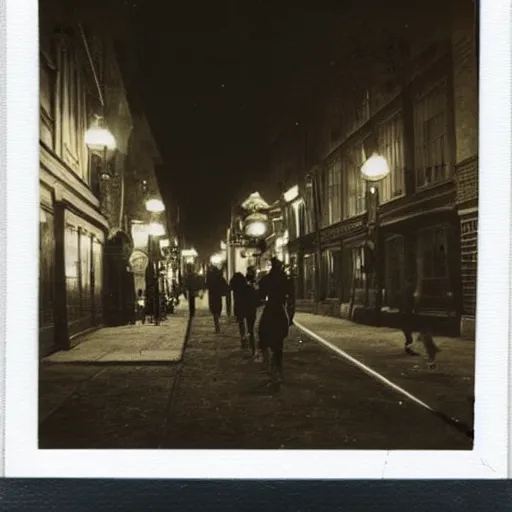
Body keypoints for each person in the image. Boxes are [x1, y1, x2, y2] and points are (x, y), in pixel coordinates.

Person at [257, 257, 290, 384]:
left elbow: (260, 296)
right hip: (280, 311)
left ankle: (270, 366)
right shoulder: (284, 279)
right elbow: (289, 297)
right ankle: (278, 369)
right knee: (279, 344)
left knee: (264, 335)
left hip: (270, 310)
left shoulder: (266, 279)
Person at [229, 271, 251, 349]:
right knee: (248, 323)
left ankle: (243, 338)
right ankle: (248, 336)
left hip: (238, 306)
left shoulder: (235, 288)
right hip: (246, 306)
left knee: (241, 324)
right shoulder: (246, 287)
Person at [207, 266, 228, 333]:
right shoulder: (220, 278)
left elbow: (207, 285)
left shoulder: (211, 278)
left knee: (214, 310)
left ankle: (216, 323)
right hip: (218, 296)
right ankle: (217, 321)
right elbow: (225, 285)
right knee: (218, 308)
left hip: (212, 296)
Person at [400, 277, 419, 356]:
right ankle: (409, 349)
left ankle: (408, 348)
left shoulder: (404, 289)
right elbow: (412, 300)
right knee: (408, 333)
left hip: (404, 313)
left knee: (408, 332)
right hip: (406, 313)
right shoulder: (410, 289)